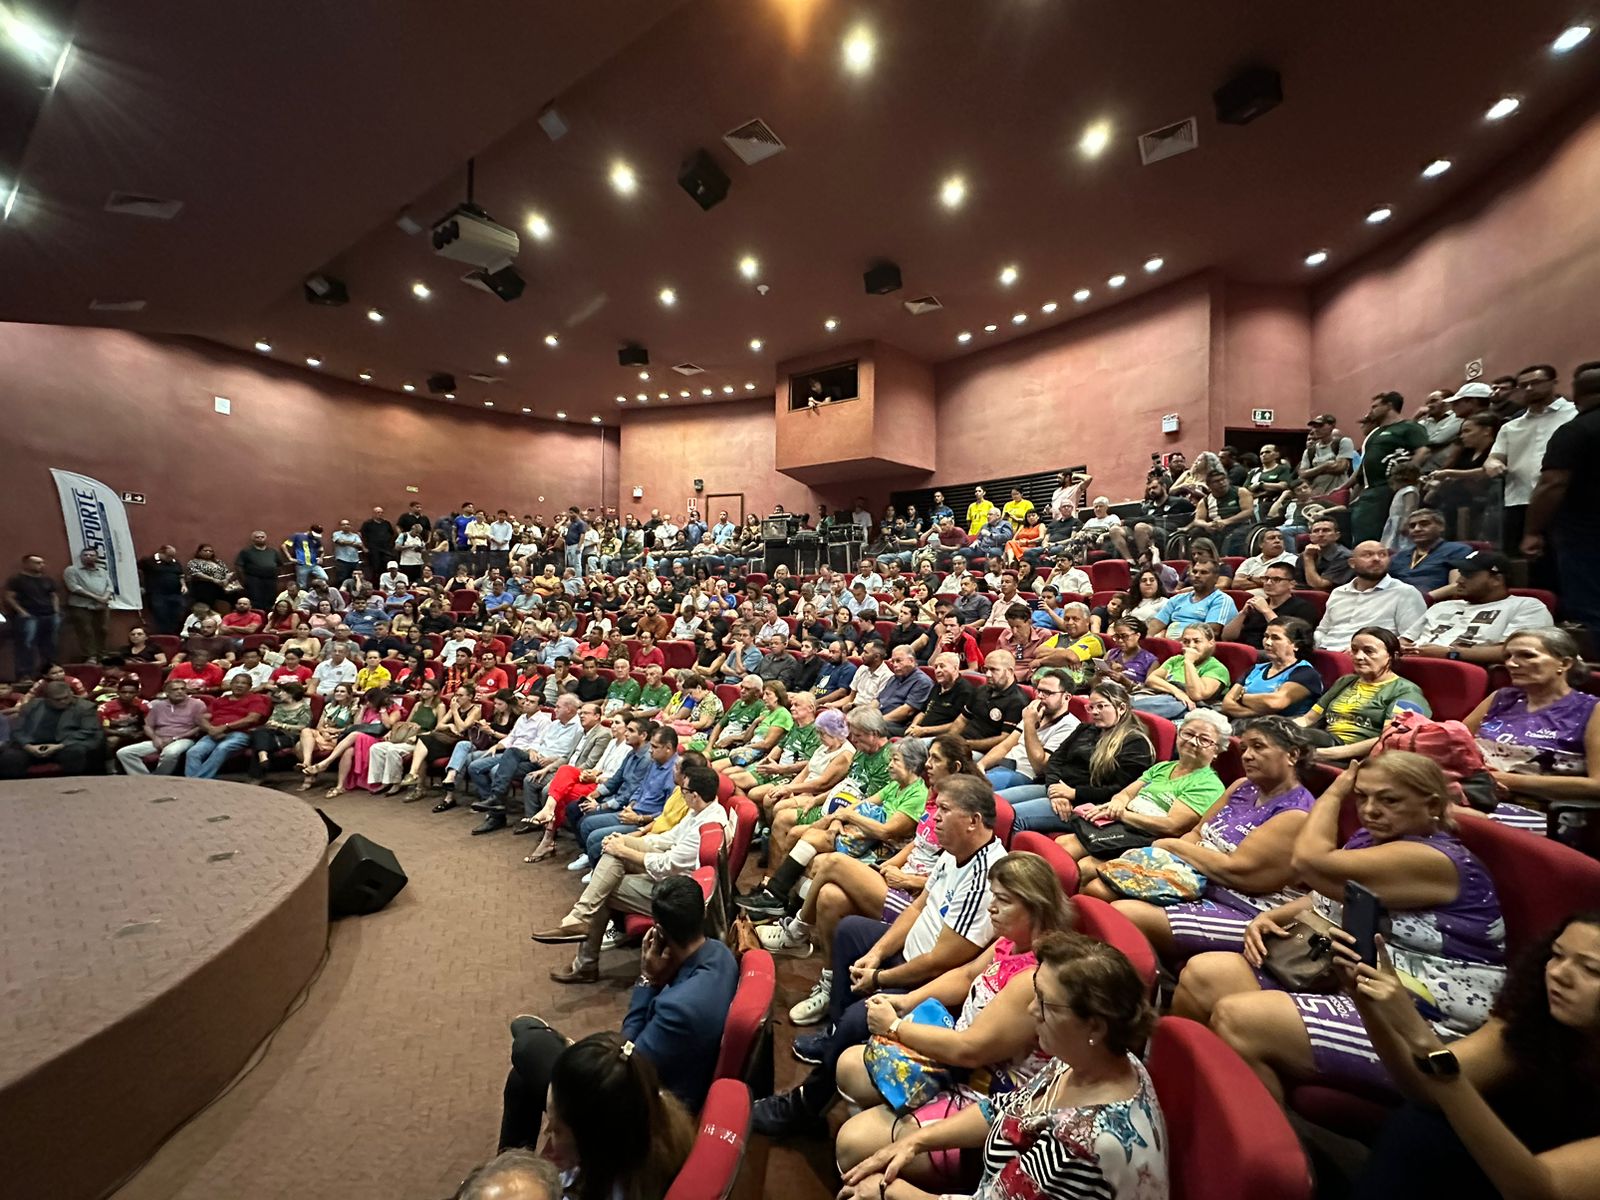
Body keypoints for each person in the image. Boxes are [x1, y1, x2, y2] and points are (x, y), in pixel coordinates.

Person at [1177, 752, 1508, 1105]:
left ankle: (1257, 1132)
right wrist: (1273, 916)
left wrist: (1335, 792)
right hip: (1348, 977)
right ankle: (1188, 1097)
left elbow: (1308, 863)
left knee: (1239, 1020)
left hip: (1419, 1014)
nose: (1370, 810)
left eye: (1389, 800)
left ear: (1432, 805)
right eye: (1361, 797)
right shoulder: (1372, 838)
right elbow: (1327, 893)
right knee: (1203, 975)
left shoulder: (1435, 858)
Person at [752, 775, 1006, 1136]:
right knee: (850, 931)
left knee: (860, 1017)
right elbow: (917, 908)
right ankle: (836, 1032)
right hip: (911, 950)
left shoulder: (985, 876)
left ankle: (805, 1105)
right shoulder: (954, 853)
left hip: (928, 980)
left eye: (944, 810)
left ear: (973, 821)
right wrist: (875, 953)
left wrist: (880, 977)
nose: (933, 818)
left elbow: (940, 962)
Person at [836, 932, 1166, 1200]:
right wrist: (917, 1141)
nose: (1031, 1010)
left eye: (1045, 1002)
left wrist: (890, 1192)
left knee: (862, 1175)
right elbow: (1006, 1109)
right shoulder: (1093, 1059)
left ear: (1094, 1025)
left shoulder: (1077, 1148)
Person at [832, 853, 1078, 1188]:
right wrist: (905, 1000)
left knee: (852, 1142)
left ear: (1037, 907)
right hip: (959, 1061)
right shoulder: (1012, 940)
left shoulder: (1033, 979)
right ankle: (892, 1126)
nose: (992, 908)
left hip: (987, 1091)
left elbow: (969, 1051)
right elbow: (966, 975)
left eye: (1004, 901)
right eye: (993, 896)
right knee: (849, 1066)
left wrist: (895, 1027)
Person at [1343, 910, 1600, 1200]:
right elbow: (1423, 1089)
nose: (1558, 973)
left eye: (1591, 970)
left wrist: (1425, 1042)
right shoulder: (1537, 1021)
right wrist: (1368, 1004)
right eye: (1557, 955)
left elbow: (1537, 1190)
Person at [498, 875, 737, 1155]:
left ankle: (558, 1046)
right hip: (664, 1077)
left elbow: (626, 1062)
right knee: (522, 1078)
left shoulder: (678, 1009)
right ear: (702, 914)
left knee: (526, 1040)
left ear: (659, 931)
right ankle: (512, 1163)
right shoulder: (720, 953)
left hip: (640, 1116)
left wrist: (647, 979)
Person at [1108, 716, 1317, 970]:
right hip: (1197, 880)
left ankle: (1152, 981)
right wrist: (1175, 860)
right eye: (1244, 748)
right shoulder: (1242, 786)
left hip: (1247, 908)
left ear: (1292, 755)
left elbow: (1237, 871)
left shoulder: (1296, 812)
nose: (1247, 756)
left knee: (1123, 913)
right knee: (1102, 887)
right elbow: (1197, 832)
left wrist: (1172, 847)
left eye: (1258, 747)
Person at [536, 763, 727, 980]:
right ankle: (579, 919)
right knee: (612, 858)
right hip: (674, 873)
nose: (681, 794)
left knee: (603, 886)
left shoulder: (707, 825)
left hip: (678, 893)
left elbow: (667, 865)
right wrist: (625, 841)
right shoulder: (701, 810)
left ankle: (584, 955)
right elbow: (669, 838)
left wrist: (624, 851)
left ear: (694, 795)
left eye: (684, 791)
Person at [738, 738, 930, 919]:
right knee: (805, 835)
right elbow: (863, 803)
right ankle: (775, 895)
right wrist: (839, 818)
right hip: (861, 835)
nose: (889, 765)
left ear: (912, 764)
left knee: (816, 862)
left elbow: (886, 831)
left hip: (880, 849)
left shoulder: (917, 795)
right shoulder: (896, 785)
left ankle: (791, 908)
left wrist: (849, 816)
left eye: (895, 760)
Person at [1067, 709, 1229, 893]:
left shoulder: (1209, 785)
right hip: (1121, 827)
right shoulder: (1162, 767)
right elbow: (1125, 794)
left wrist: (1122, 815)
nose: (1192, 741)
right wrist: (1117, 804)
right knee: (1064, 845)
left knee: (1084, 868)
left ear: (1217, 750)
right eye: (1188, 734)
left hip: (1148, 840)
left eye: (1204, 740)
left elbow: (1172, 826)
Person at [528, 1031, 696, 1200]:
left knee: (525, 1055)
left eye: (556, 1130)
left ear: (591, 1145)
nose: (546, 1130)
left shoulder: (598, 1191)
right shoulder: (645, 1099)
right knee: (527, 1055)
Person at [1464, 627, 1600, 810]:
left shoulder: (1592, 710)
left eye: (1527, 655)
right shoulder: (1501, 697)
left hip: (1538, 809)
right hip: (1470, 795)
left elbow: (1597, 785)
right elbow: (1453, 744)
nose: (1511, 664)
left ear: (1565, 663)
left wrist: (1504, 780)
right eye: (1508, 656)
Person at [1003, 681, 1155, 835]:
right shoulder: (1086, 728)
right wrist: (1055, 790)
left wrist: (1073, 793)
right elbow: (1055, 760)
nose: (1094, 712)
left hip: (1088, 804)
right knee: (997, 804)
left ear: (1121, 708)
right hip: (1057, 789)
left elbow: (1120, 790)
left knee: (1010, 817)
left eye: (1101, 706)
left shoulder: (1136, 743)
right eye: (1091, 707)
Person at [1523, 360, 1600, 643]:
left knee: (1591, 605)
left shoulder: (1575, 431)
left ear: (1576, 392)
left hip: (1586, 529)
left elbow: (1553, 483)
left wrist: (1532, 531)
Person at [1299, 625, 1430, 760]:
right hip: (1325, 741)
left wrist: (1330, 753)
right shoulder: (1345, 681)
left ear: (1392, 656)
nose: (1358, 656)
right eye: (1354, 650)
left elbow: (1391, 738)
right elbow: (1308, 719)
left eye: (1369, 651)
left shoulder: (1405, 691)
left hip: (1360, 756)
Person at [1400, 549, 1552, 663]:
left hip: (1458, 672)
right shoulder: (1442, 606)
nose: (1459, 581)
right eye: (1461, 573)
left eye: (1469, 575)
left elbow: (1515, 651)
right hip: (1407, 665)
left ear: (1497, 580)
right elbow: (1405, 640)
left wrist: (1449, 654)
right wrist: (1398, 647)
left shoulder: (1527, 606)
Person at [1314, 540, 1427, 651]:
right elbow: (1323, 630)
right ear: (1352, 563)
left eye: (1382, 554)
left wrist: (1361, 650)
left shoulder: (1405, 592)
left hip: (1364, 656)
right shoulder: (1338, 592)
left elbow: (1410, 638)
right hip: (1326, 652)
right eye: (1367, 555)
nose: (1377, 559)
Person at [1348, 392, 1429, 544]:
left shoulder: (1409, 427)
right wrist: (1347, 488)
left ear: (1389, 406)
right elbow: (1365, 464)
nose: (1371, 411)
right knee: (1362, 532)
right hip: (1370, 489)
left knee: (1388, 536)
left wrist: (1407, 474)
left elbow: (1423, 451)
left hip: (1391, 487)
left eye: (1375, 406)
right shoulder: (1375, 432)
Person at [1219, 617, 1323, 720]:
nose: (1267, 642)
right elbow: (1227, 704)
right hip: (1243, 722)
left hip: (1280, 727)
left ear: (1296, 645)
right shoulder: (1256, 669)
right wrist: (1260, 712)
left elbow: (1274, 703)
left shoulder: (1305, 673)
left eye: (1275, 638)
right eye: (1266, 636)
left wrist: (1241, 697)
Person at [0, 681, 106, 777]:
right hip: (33, 745)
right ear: (47, 699)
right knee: (10, 757)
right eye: (58, 700)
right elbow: (18, 730)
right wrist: (27, 746)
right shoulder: (32, 706)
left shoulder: (85, 707)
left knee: (75, 752)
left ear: (70, 694)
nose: (63, 701)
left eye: (66, 697)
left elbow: (88, 731)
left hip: (66, 745)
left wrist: (59, 746)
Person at [1130, 623, 1230, 719]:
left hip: (1188, 706)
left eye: (1197, 641)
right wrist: (1177, 692)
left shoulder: (1217, 668)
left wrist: (1189, 662)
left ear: (1210, 643)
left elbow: (1197, 695)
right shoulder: (1176, 660)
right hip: (1163, 695)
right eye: (1186, 641)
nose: (1191, 646)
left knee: (1176, 705)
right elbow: (1151, 679)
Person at [184, 673, 272, 778]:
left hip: (239, 733)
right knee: (193, 752)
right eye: (236, 682)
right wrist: (211, 729)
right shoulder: (221, 700)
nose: (239, 685)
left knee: (222, 748)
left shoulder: (256, 699)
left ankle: (197, 781)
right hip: (214, 733)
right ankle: (197, 781)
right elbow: (203, 718)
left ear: (250, 686)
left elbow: (252, 719)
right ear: (231, 684)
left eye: (243, 683)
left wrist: (225, 727)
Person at [115, 679, 208, 775]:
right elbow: (147, 726)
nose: (180, 691)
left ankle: (159, 777)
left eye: (182, 689)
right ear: (167, 692)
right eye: (175, 689)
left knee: (170, 753)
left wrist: (175, 738)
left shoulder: (197, 704)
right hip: (160, 739)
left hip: (183, 739)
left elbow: (200, 727)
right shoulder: (157, 705)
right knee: (124, 753)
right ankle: (144, 778)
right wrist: (155, 738)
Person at [1220, 560, 1319, 650]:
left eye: (1276, 579)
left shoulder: (1304, 608)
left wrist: (1266, 611)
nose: (1268, 583)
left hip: (1274, 653)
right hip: (1247, 651)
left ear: (1292, 584)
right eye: (1266, 578)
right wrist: (1243, 613)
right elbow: (1226, 637)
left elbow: (1292, 638)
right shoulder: (1256, 605)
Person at [1145, 559, 1237, 638]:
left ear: (1216, 578)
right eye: (1195, 572)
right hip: (1169, 645)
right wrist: (1147, 640)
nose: (1197, 575)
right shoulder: (1178, 598)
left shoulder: (1221, 599)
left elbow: (1210, 632)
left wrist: (1173, 644)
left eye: (1203, 572)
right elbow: (1156, 624)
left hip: (1194, 646)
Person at [4, 553, 61, 676]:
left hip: (49, 615)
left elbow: (54, 596)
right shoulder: (17, 580)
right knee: (26, 645)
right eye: (37, 563)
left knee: (50, 645)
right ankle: (25, 674)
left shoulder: (47, 580)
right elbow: (9, 597)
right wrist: (22, 612)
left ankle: (49, 672)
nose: (41, 565)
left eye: (42, 563)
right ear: (26, 564)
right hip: (29, 617)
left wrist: (56, 611)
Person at [245, 681, 311, 782]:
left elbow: (303, 727)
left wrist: (281, 725)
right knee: (260, 733)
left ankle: (257, 773)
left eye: (282, 692)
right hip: (272, 732)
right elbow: (270, 722)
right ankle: (263, 756)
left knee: (259, 741)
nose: (279, 694)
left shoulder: (304, 708)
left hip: (290, 735)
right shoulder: (279, 707)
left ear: (291, 694)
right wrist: (273, 724)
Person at [62, 548, 114, 661]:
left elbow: (110, 586)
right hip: (81, 606)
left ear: (97, 557)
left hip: (102, 606)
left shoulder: (102, 571)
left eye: (91, 555)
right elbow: (74, 587)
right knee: (86, 631)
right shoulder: (72, 570)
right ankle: (91, 656)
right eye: (85, 555)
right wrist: (97, 597)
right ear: (81, 557)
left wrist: (105, 598)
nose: (88, 557)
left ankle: (102, 654)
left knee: (103, 630)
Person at [234, 530, 289, 613]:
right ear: (253, 539)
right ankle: (258, 617)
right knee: (256, 600)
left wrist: (276, 574)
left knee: (271, 599)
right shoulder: (246, 552)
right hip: (254, 580)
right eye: (257, 537)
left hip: (271, 580)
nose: (260, 539)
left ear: (265, 538)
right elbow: (239, 566)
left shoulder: (273, 551)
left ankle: (268, 617)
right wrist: (244, 580)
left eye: (262, 537)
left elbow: (280, 564)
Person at [1296, 518, 1356, 591]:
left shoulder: (1345, 557)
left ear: (1337, 536)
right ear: (1310, 537)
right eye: (1316, 531)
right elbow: (1297, 583)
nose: (1320, 534)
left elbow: (1319, 587)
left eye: (1326, 530)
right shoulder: (1305, 554)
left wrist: (1308, 559)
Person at [1230, 528, 1298, 589]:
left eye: (1280, 538)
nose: (1277, 541)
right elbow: (1236, 584)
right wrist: (1264, 582)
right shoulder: (1250, 561)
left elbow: (1277, 584)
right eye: (1272, 538)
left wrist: (1250, 578)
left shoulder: (1291, 559)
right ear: (1261, 544)